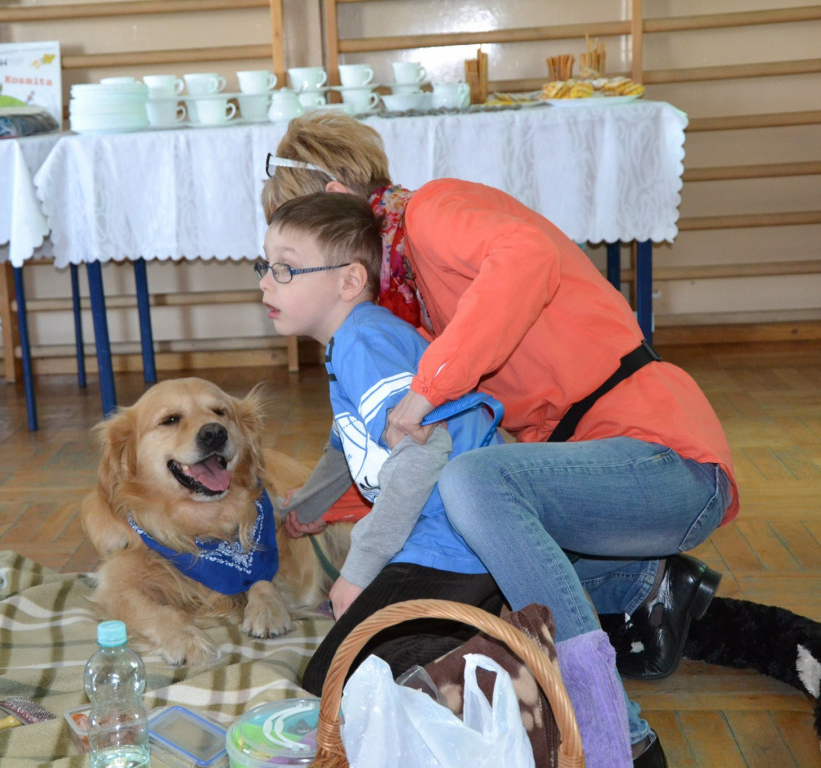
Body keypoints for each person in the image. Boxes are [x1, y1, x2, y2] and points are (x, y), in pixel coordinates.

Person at [261, 111, 739, 768]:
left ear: (338, 199)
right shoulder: (402, 304)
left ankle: (614, 731)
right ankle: (641, 586)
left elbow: (528, 258)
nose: (275, 278)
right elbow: (379, 443)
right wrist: (306, 515)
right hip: (593, 477)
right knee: (477, 551)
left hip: (664, 455)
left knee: (475, 482)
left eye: (296, 249)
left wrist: (432, 383)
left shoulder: (432, 210)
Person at [258, 191, 631, 768]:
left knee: (334, 679)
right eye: (265, 266)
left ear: (349, 280)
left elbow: (421, 457)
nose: (266, 282)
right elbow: (347, 439)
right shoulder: (350, 344)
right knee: (344, 675)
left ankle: (523, 673)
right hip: (456, 544)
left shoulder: (364, 341)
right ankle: (501, 632)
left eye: (284, 268)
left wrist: (358, 571)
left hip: (447, 545)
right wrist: (310, 506)